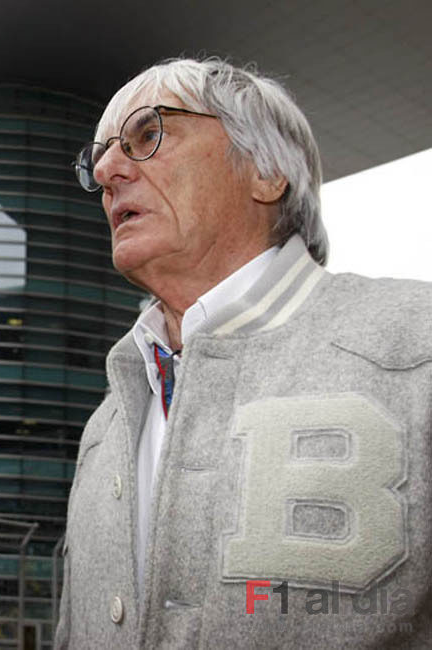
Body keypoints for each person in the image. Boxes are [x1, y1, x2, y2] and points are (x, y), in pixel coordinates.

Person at [56, 57, 432, 648]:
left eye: (147, 134)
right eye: (99, 155)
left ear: (265, 171)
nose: (105, 171)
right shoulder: (105, 424)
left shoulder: (418, 342)